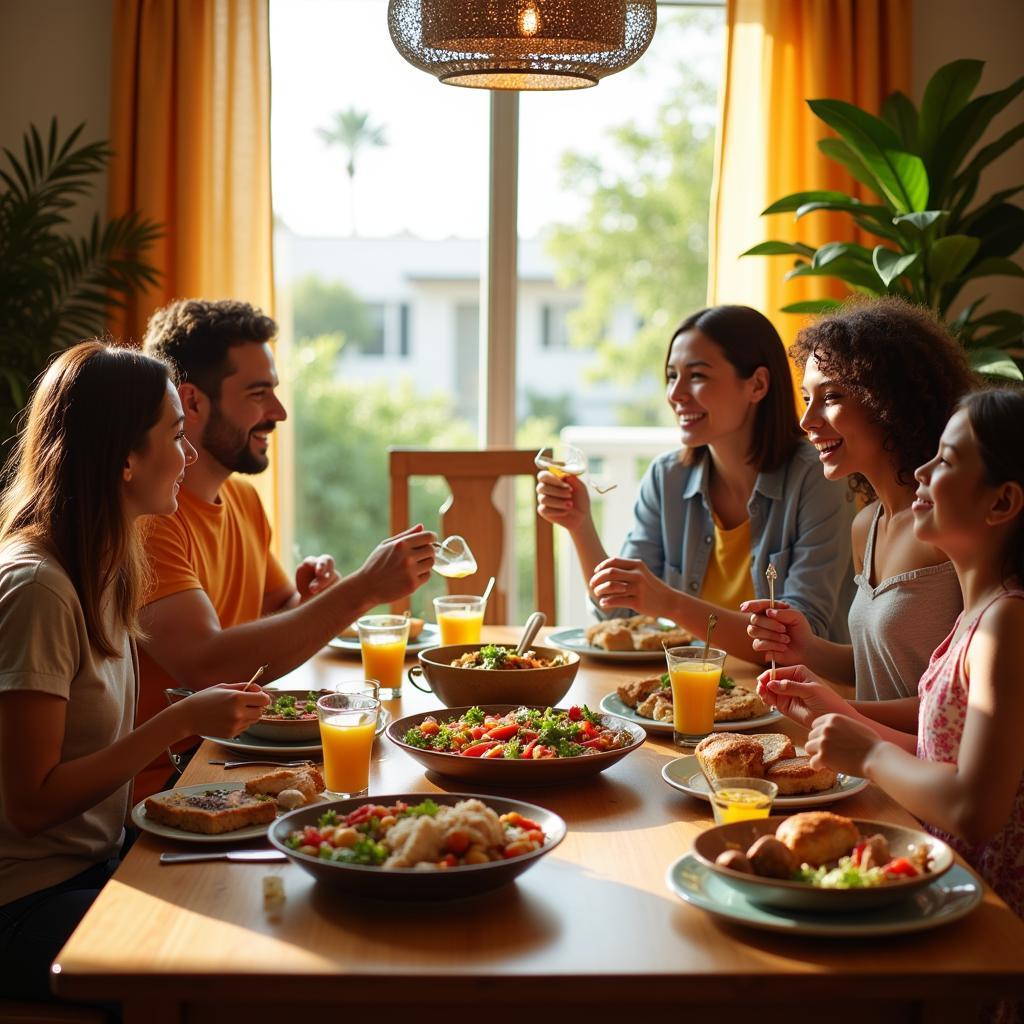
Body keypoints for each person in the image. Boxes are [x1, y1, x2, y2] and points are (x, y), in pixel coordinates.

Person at [0, 342, 271, 1004]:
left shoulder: (106, 566)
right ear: (124, 457)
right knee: (230, 966)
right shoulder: (38, 587)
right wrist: (177, 721)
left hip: (96, 862)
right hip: (25, 903)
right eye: (176, 436)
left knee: (265, 892)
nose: (188, 455)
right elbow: (31, 805)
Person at [135, 299, 436, 799]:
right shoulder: (150, 521)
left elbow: (281, 616)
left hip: (235, 754)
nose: (279, 413)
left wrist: (312, 598)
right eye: (259, 394)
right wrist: (361, 591)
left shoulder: (243, 500)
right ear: (191, 402)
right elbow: (208, 667)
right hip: (174, 778)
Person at [757, 389, 1024, 934]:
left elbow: (974, 807)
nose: (922, 469)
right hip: (943, 886)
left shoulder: (1006, 625)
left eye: (946, 460)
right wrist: (837, 712)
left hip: (990, 918)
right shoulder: (979, 616)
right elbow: (941, 757)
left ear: (1001, 503)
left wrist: (873, 755)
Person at [536, 304, 855, 658]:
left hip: (798, 698)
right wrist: (579, 525)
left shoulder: (819, 477)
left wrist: (671, 604)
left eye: (697, 376)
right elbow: (619, 612)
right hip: (697, 688)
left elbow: (794, 640)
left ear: (758, 385)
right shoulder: (666, 477)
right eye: (672, 376)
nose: (676, 394)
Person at [743, 298, 975, 705]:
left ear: (889, 402)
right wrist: (807, 647)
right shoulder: (866, 526)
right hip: (869, 766)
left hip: (926, 766)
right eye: (806, 397)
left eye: (830, 397)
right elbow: (880, 667)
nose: (807, 420)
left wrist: (842, 712)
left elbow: (962, 706)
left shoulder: (950, 526)